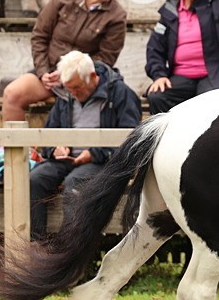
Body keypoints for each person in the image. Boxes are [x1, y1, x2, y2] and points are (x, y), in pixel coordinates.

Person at [28, 51, 141, 241]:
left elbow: (130, 138)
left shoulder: (120, 93)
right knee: (35, 179)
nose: (73, 93)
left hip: (103, 161)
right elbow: (49, 133)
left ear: (93, 77)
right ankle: (36, 244)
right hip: (66, 159)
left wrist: (94, 154)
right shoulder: (66, 95)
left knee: (75, 183)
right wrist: (55, 148)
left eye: (77, 88)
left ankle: (68, 247)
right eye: (69, 88)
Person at [1, 0, 127, 122]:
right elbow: (40, 35)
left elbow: (106, 59)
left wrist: (71, 73)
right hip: (50, 73)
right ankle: (16, 148)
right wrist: (43, 72)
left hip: (82, 80)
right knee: (12, 94)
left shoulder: (116, 16)